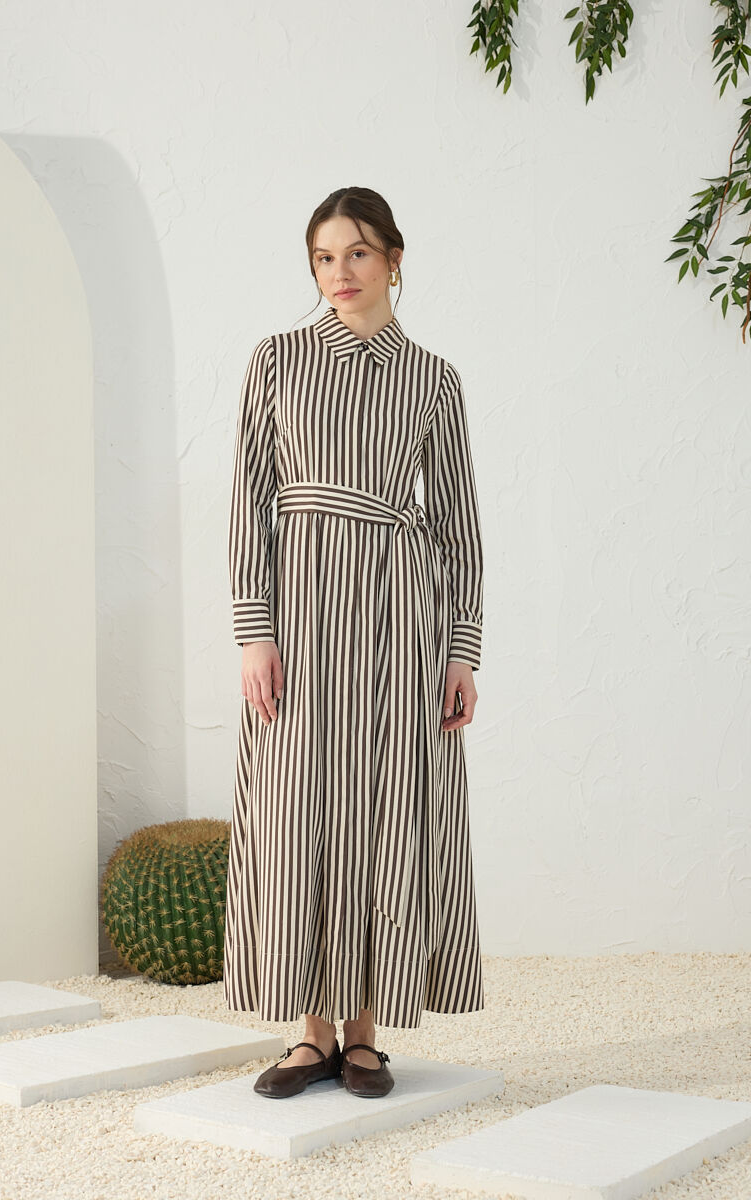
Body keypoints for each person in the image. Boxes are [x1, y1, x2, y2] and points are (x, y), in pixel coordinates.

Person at [224, 186, 486, 1100]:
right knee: (297, 806)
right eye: (325, 258)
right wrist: (254, 631)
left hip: (399, 616)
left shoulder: (433, 379)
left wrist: (460, 650)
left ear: (394, 260)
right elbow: (249, 499)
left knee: (384, 800)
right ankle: (309, 1034)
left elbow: (457, 523)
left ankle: (365, 1033)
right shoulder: (277, 360)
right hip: (298, 610)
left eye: (359, 253)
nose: (340, 273)